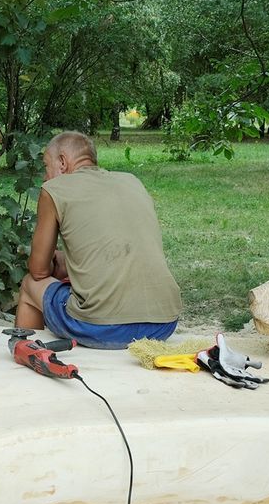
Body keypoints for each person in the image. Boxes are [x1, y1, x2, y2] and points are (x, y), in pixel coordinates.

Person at [15, 131, 182, 348]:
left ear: (63, 162)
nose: (45, 177)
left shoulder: (54, 189)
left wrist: (49, 263)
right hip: (163, 324)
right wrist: (67, 262)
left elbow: (39, 271)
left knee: (30, 284)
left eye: (46, 167)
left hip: (101, 327)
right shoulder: (132, 181)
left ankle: (28, 354)